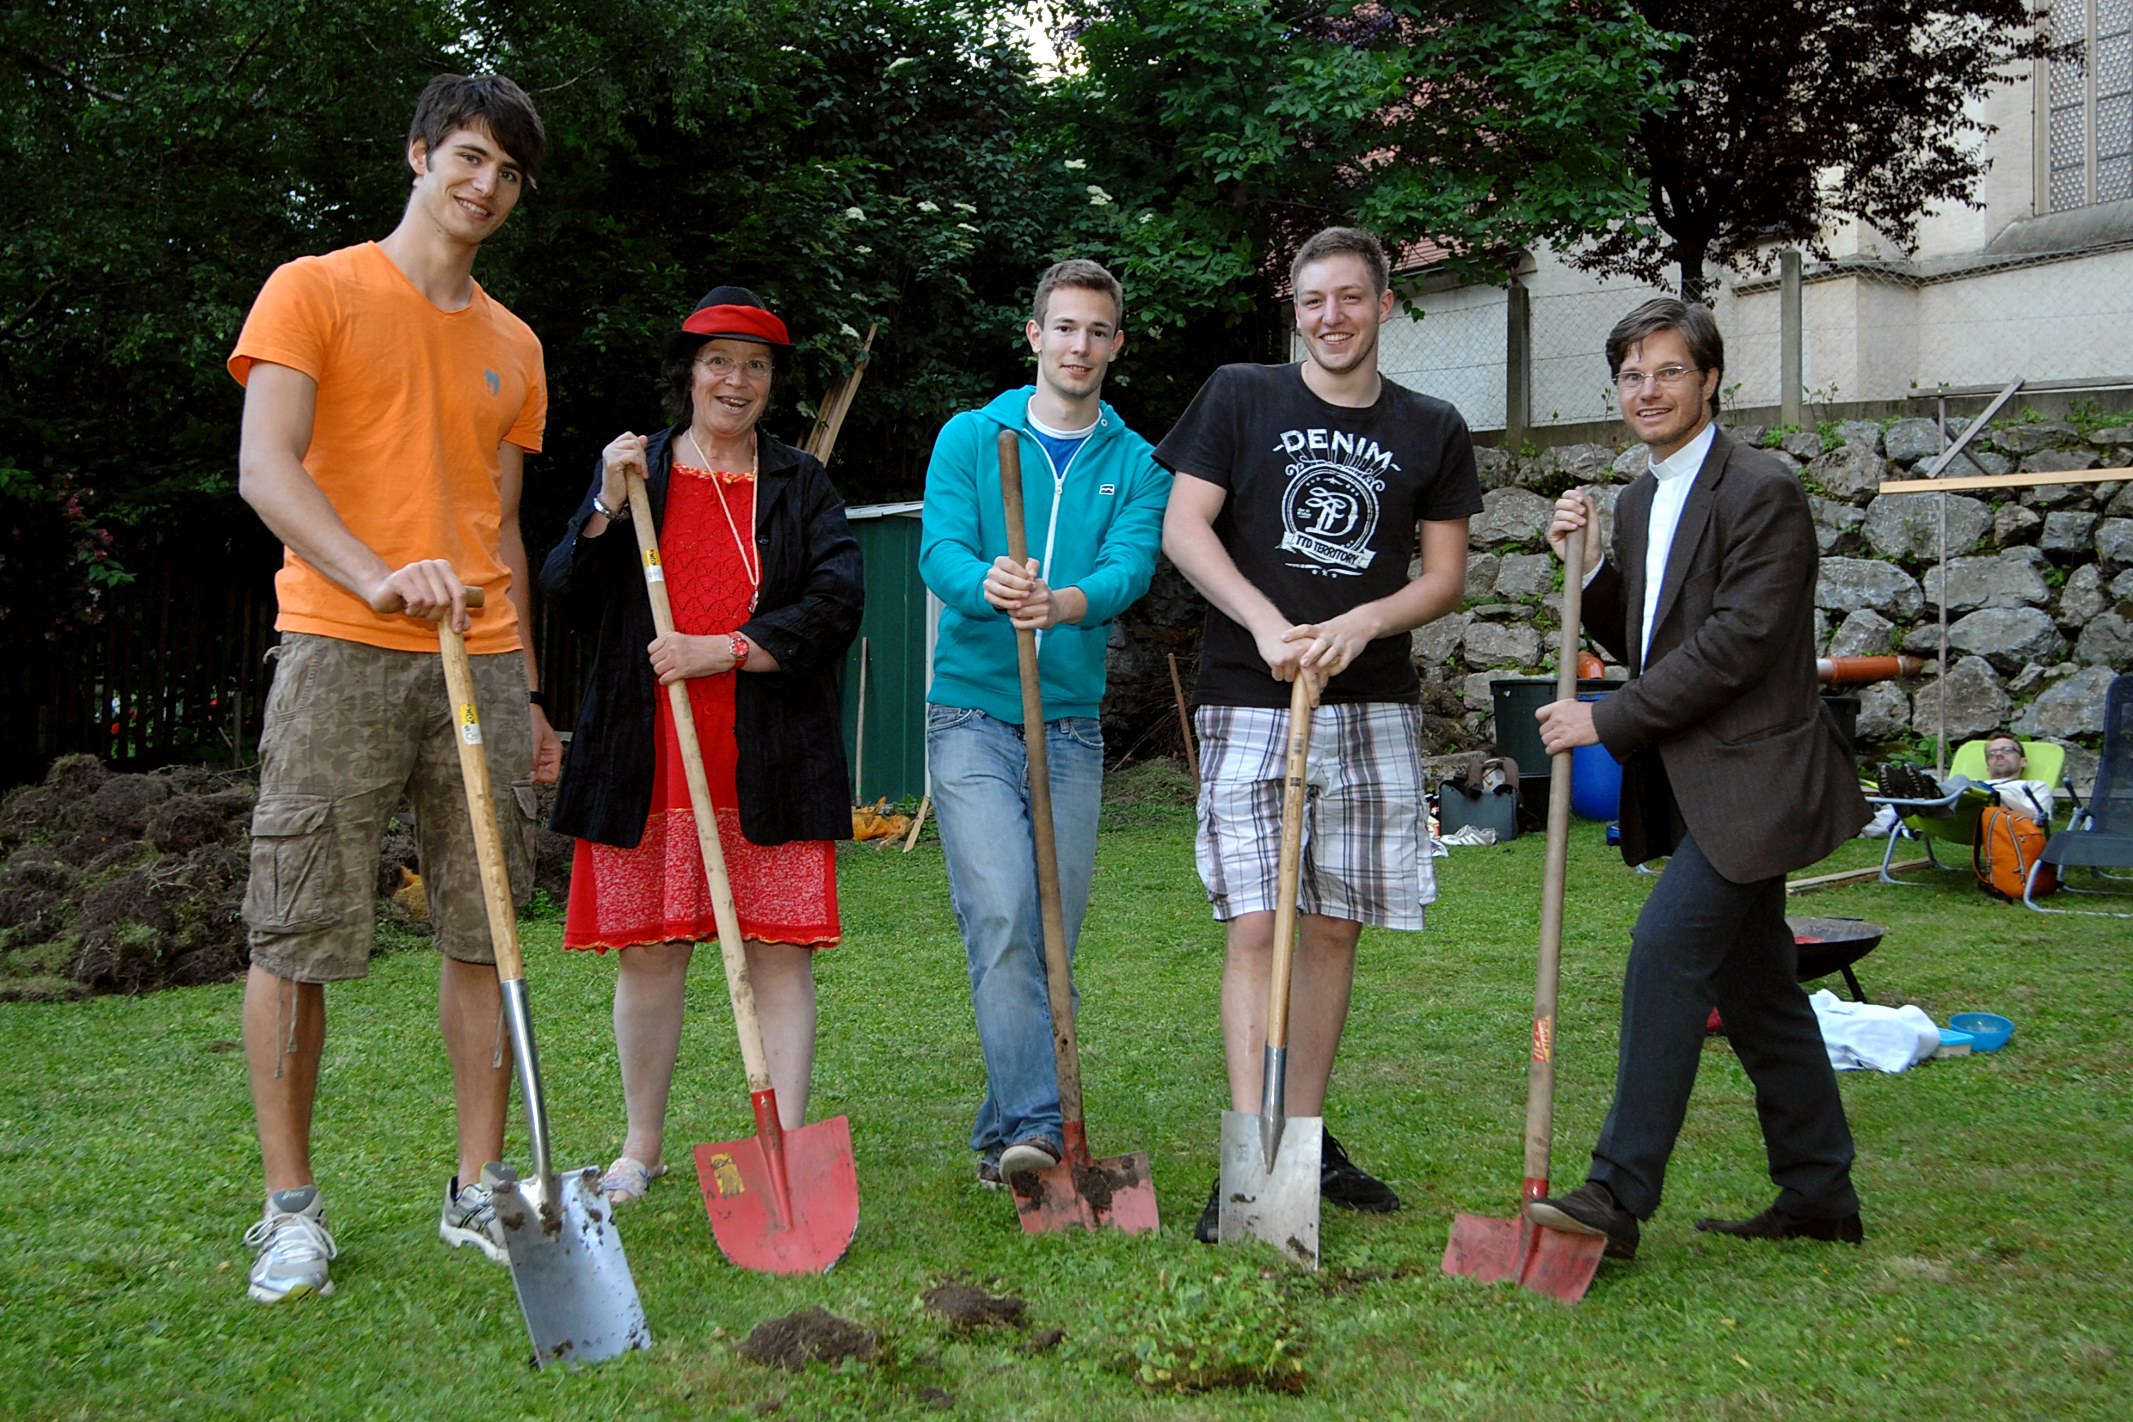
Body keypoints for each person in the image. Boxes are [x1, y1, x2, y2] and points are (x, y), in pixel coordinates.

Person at [229, 73, 559, 1303]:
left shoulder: (515, 345)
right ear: (420, 154)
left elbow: (501, 524)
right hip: (339, 645)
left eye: (509, 173)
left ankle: (479, 1185)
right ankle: (291, 1213)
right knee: (297, 925)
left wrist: (531, 683)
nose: (487, 185)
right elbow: (267, 470)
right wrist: (374, 576)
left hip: (482, 658)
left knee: (486, 926)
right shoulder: (314, 289)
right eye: (470, 156)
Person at [1525, 296, 1869, 1261]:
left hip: (1757, 780)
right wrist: (1589, 567)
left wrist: (1605, 720)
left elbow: (1738, 644)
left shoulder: (1761, 489)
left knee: (1664, 953)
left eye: (1668, 371)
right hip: (1694, 782)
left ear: (1710, 379)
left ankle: (1616, 1194)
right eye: (1631, 375)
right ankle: (1819, 1192)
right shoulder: (1640, 500)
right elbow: (1642, 635)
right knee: (1758, 991)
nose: (1647, 390)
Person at [1156, 226, 1481, 1242]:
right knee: (1257, 924)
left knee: (1334, 925)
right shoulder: (1239, 396)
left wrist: (1360, 623)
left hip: (1368, 700)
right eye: (1311, 301)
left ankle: (1302, 1141)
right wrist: (1266, 625)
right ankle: (1249, 1152)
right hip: (1250, 697)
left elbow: (1443, 576)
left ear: (1384, 304)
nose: (1329, 317)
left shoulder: (1431, 426)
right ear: (1293, 311)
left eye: (1348, 298)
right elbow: (1184, 527)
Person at [543, 288, 862, 1207]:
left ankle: (783, 1147)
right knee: (651, 954)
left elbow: (837, 601)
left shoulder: (799, 482)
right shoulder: (636, 472)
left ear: (772, 384)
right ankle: (639, 1149)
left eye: (755, 366)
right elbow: (567, 591)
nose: (736, 380)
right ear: (687, 373)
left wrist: (723, 649)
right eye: (718, 361)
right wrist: (606, 504)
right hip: (647, 758)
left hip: (769, 754)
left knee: (778, 952)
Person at [919, 259, 1170, 1187]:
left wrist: (1064, 604)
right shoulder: (971, 437)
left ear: (1116, 345)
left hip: (1066, 723)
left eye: (1097, 331)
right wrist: (986, 583)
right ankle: (1036, 1124)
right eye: (1064, 327)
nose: (1079, 346)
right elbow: (940, 547)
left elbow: (1131, 566)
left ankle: (1005, 1131)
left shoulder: (1138, 463)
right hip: (970, 713)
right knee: (1001, 913)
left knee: (1049, 933)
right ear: (1034, 335)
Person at [1982, 734, 2056, 822]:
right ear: (1988, 768)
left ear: (2023, 762)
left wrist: (1995, 795)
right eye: (1991, 753)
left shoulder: (2035, 786)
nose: (1998, 754)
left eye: (2007, 750)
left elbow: (2037, 818)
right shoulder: (1972, 782)